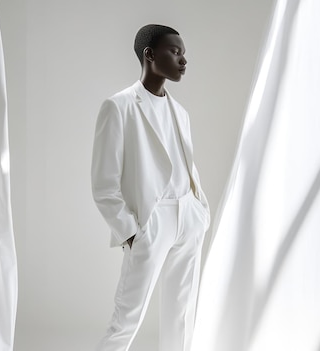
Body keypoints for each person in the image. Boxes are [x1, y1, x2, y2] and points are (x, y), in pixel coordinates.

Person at [91, 24, 210, 351]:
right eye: (175, 52)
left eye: (183, 53)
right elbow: (104, 184)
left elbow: (184, 164)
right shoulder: (119, 107)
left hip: (188, 215)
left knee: (182, 315)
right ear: (149, 54)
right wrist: (131, 232)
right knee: (127, 318)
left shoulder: (180, 112)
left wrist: (199, 210)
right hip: (151, 220)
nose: (183, 60)